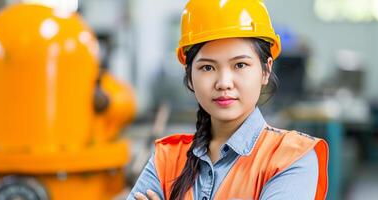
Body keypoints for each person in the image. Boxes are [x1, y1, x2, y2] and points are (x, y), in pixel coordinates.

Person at [127, 0, 328, 199]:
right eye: (207, 67)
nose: (224, 83)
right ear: (189, 75)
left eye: (239, 65)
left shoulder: (291, 158)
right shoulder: (168, 159)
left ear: (266, 70)